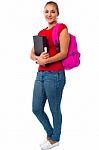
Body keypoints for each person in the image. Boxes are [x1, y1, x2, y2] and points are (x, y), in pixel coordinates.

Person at [30, 1, 70, 149]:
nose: (49, 14)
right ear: (43, 13)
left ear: (57, 13)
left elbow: (63, 53)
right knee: (36, 108)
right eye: (46, 11)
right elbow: (31, 53)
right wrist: (38, 59)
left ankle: (55, 139)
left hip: (55, 75)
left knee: (54, 108)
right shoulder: (41, 32)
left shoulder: (62, 28)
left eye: (53, 11)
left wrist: (45, 60)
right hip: (40, 74)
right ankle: (51, 134)